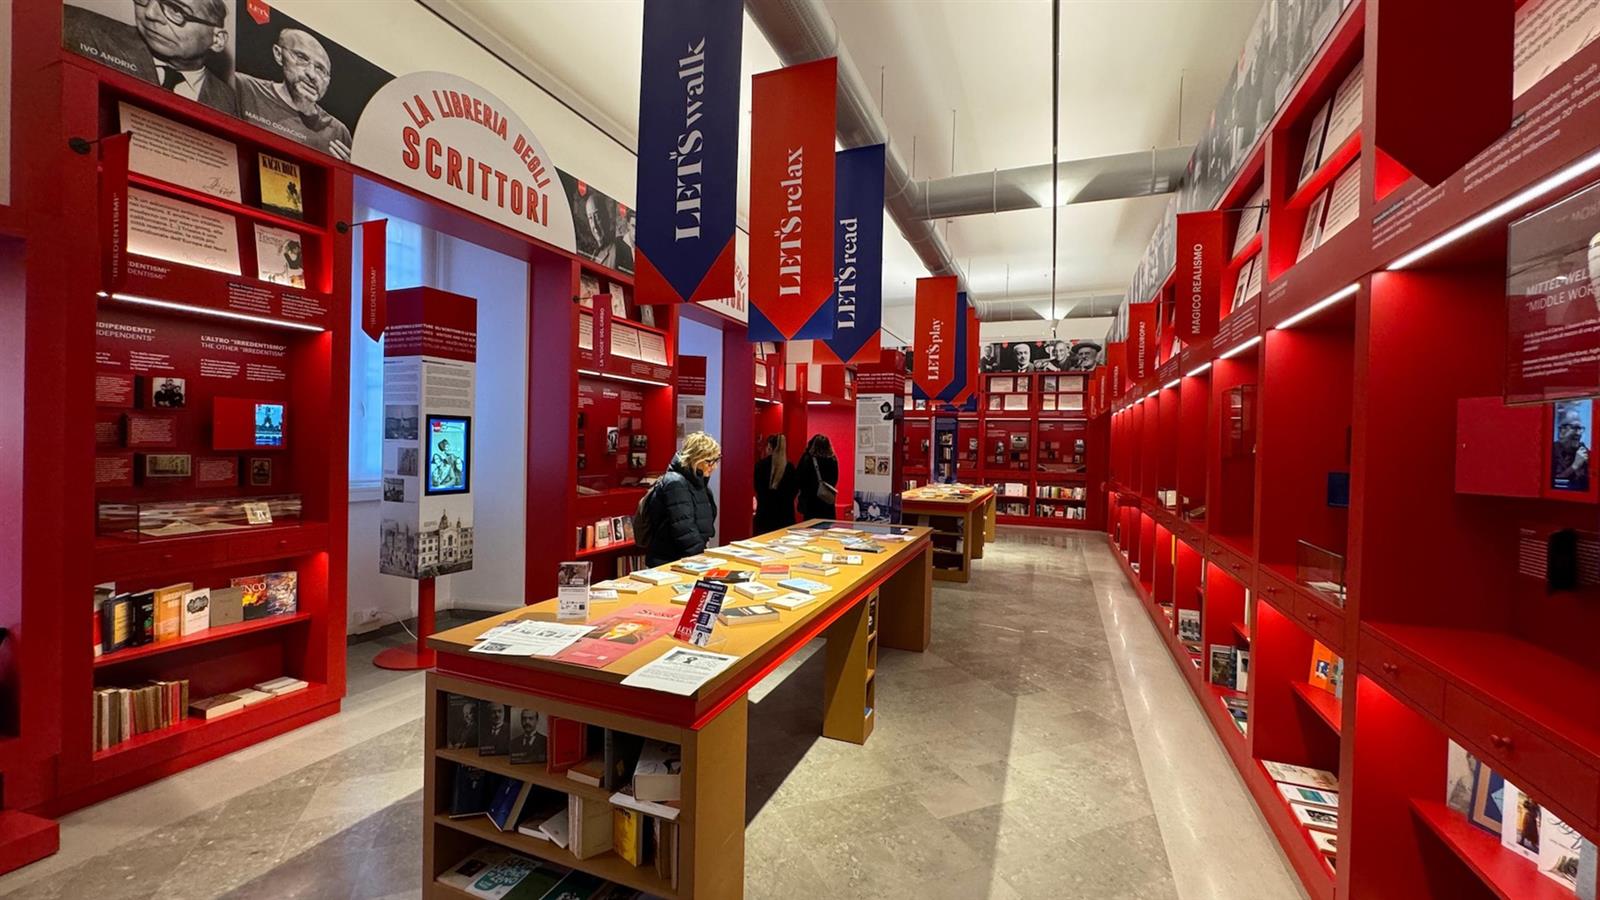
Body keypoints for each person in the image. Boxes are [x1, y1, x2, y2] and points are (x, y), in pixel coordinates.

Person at [63, 0, 239, 114]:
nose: (150, 13)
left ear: (217, 40)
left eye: (176, 9)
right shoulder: (78, 29)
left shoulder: (230, 104)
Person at [235, 28, 352, 159]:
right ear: (278, 54)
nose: (312, 74)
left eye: (320, 69)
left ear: (328, 81)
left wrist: (346, 170)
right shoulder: (242, 88)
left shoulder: (338, 132)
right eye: (301, 58)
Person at [641, 432, 720, 566]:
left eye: (716, 460)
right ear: (695, 458)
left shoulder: (698, 482)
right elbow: (684, 529)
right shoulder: (676, 483)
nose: (714, 466)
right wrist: (701, 557)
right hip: (671, 561)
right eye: (709, 461)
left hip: (686, 558)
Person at [753, 434, 798, 534]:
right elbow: (794, 491)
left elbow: (757, 488)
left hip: (764, 515)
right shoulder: (789, 467)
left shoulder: (760, 466)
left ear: (769, 447)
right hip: (785, 517)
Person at [796, 434, 840, 521]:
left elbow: (799, 479)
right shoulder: (832, 459)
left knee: (810, 525)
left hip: (810, 503)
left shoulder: (807, 458)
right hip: (827, 500)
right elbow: (835, 479)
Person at [1552, 407, 1590, 491]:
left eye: (1580, 429)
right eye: (1575, 428)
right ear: (1562, 431)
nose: (1579, 433)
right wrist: (1574, 466)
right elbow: (1551, 484)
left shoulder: (1584, 452)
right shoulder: (1550, 452)